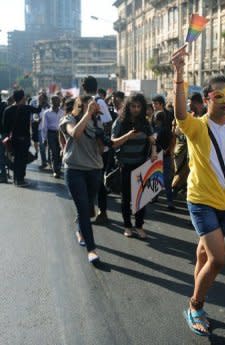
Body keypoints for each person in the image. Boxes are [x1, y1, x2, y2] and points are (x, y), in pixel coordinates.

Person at [171, 47, 225, 337]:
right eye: (218, 96)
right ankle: (195, 305)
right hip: (200, 201)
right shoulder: (196, 127)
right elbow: (179, 112)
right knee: (218, 258)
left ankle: (196, 293)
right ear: (207, 100)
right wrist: (179, 74)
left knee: (204, 257)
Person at [59, 96, 104, 264]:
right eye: (87, 105)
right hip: (75, 170)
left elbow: (102, 148)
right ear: (79, 106)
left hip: (94, 170)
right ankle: (92, 250)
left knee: (88, 208)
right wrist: (87, 114)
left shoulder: (97, 122)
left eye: (93, 106)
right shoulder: (68, 119)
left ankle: (80, 230)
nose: (92, 108)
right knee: (84, 210)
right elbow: (75, 134)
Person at [111, 93, 157, 239]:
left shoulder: (144, 123)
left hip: (141, 164)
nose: (136, 109)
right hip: (125, 165)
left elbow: (152, 140)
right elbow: (113, 143)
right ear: (128, 106)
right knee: (126, 198)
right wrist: (128, 136)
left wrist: (154, 152)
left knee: (141, 198)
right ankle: (127, 226)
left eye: (138, 106)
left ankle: (139, 226)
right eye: (133, 106)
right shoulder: (121, 122)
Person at [82, 76, 113, 224]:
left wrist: (99, 139)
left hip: (99, 149)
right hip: (86, 148)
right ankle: (91, 208)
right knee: (89, 180)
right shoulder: (84, 102)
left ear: (84, 87)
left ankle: (103, 212)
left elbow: (107, 123)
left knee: (98, 181)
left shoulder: (99, 102)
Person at [1, 90, 40, 187]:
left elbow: (4, 127)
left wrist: (5, 138)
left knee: (16, 158)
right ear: (23, 98)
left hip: (13, 139)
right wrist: (40, 101)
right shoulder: (27, 108)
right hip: (24, 139)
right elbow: (38, 110)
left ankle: (16, 179)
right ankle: (20, 179)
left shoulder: (8, 110)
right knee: (22, 159)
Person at [152, 95, 176, 210]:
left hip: (165, 154)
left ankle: (170, 201)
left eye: (156, 104)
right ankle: (155, 196)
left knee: (166, 179)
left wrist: (169, 150)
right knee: (156, 176)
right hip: (156, 153)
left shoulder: (169, 116)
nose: (154, 106)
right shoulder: (153, 118)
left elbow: (172, 136)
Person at [41, 95, 64, 178]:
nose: (57, 102)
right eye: (54, 101)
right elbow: (44, 127)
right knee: (53, 152)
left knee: (61, 151)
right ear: (52, 102)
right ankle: (55, 170)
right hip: (51, 134)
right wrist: (44, 138)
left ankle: (58, 167)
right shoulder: (46, 113)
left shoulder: (62, 112)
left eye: (58, 101)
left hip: (60, 133)